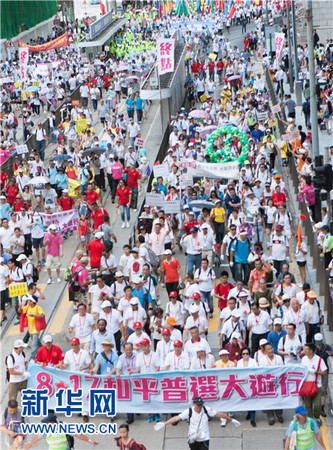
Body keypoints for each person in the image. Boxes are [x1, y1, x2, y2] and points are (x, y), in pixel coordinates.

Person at [154, 396, 240, 449]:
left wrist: (231, 420)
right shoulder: (189, 411)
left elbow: (219, 414)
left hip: (204, 438)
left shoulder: (206, 409)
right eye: (198, 404)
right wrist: (164, 424)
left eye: (201, 404)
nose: (200, 406)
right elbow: (177, 417)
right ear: (194, 404)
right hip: (193, 438)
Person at [24, 411, 98, 448]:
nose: (45, 424)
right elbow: (78, 434)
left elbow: (78, 434)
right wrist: (90, 441)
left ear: (52, 422)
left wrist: (29, 443)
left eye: (47, 422)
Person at [301, 343, 328, 426]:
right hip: (306, 386)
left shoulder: (319, 360)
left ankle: (316, 416)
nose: (304, 351)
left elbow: (324, 372)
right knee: (308, 405)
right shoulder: (304, 359)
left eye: (306, 349)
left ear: (311, 351)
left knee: (317, 405)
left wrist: (316, 372)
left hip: (317, 385)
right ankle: (310, 420)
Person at [313, 333, 332, 418]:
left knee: (323, 390)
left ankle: (321, 407)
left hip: (324, 371)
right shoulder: (312, 348)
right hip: (314, 371)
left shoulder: (327, 347)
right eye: (317, 342)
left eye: (320, 342)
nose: (319, 344)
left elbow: (332, 353)